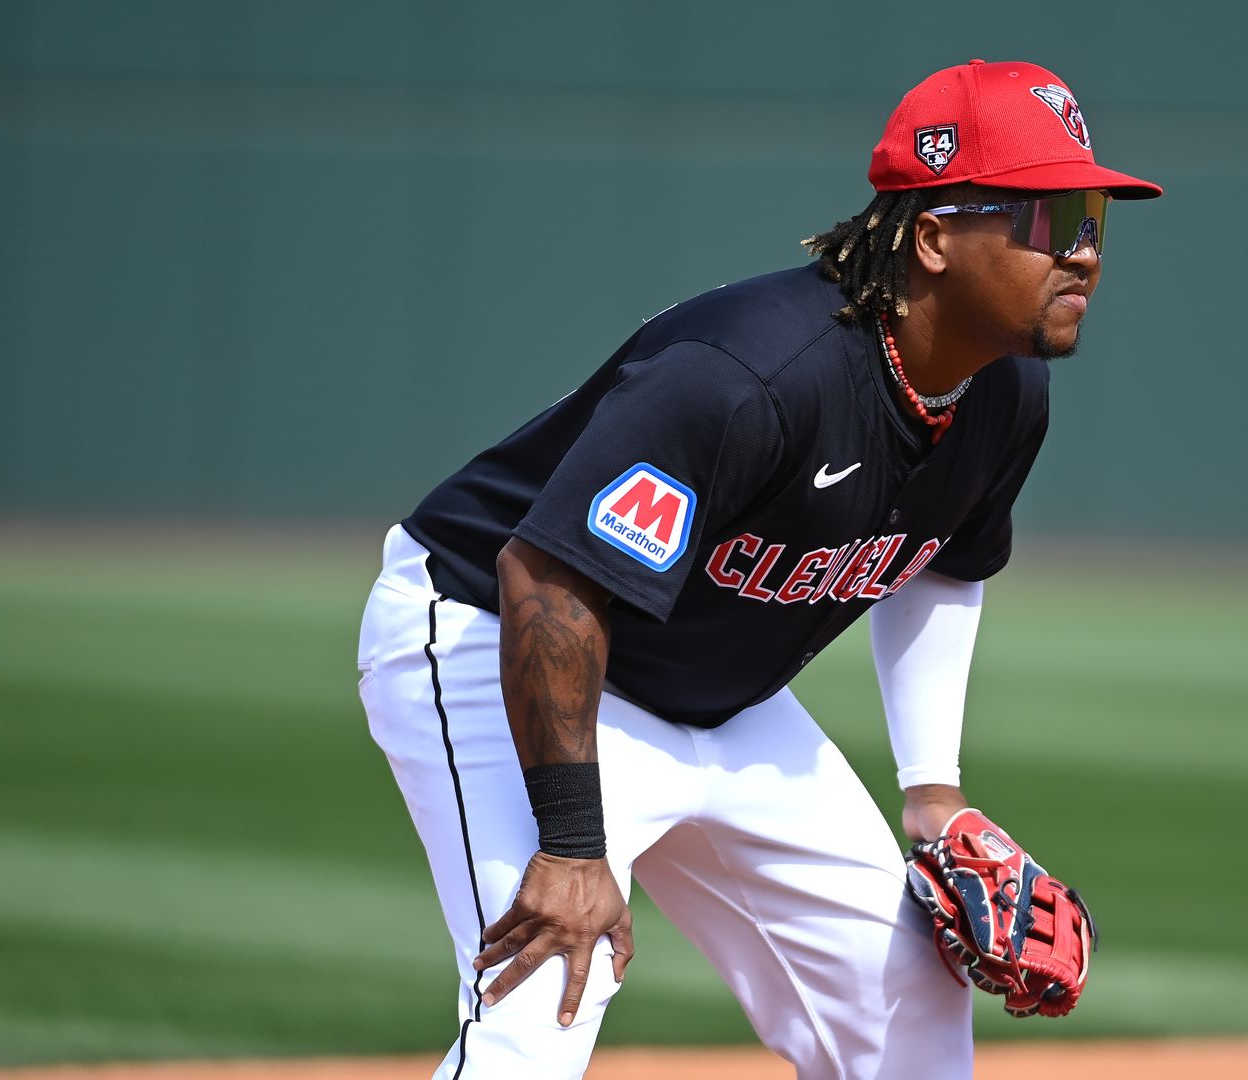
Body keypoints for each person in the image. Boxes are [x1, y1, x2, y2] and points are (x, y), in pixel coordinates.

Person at [355, 58, 1160, 1080]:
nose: (1084, 254)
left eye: (1093, 216)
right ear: (933, 236)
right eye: (1048, 220)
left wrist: (933, 793)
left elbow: (947, 565)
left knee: (907, 993)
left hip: (718, 699)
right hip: (495, 635)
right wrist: (569, 845)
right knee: (553, 980)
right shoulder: (751, 379)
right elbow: (548, 581)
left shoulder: (1006, 397)